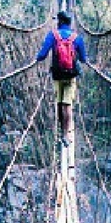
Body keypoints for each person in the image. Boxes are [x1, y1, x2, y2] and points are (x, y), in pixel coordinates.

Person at [36, 10, 87, 146]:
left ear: (60, 22)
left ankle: (61, 131)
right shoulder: (77, 38)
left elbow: (42, 55)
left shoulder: (53, 35)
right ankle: (66, 135)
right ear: (70, 23)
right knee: (67, 104)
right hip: (70, 75)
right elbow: (83, 59)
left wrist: (36, 59)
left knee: (59, 103)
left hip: (57, 75)